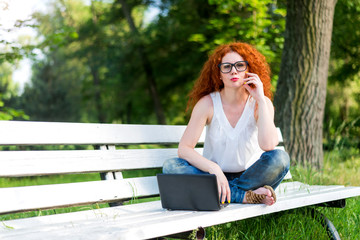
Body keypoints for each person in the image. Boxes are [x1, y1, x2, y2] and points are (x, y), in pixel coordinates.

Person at [162, 42, 290, 206]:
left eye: (239, 65)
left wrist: (260, 99)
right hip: (212, 178)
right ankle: (244, 196)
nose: (233, 71)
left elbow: (269, 145)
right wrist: (214, 169)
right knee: (171, 166)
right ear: (219, 74)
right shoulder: (207, 104)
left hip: (250, 177)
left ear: (248, 70)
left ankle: (227, 194)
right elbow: (184, 149)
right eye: (227, 67)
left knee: (280, 158)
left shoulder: (261, 103)